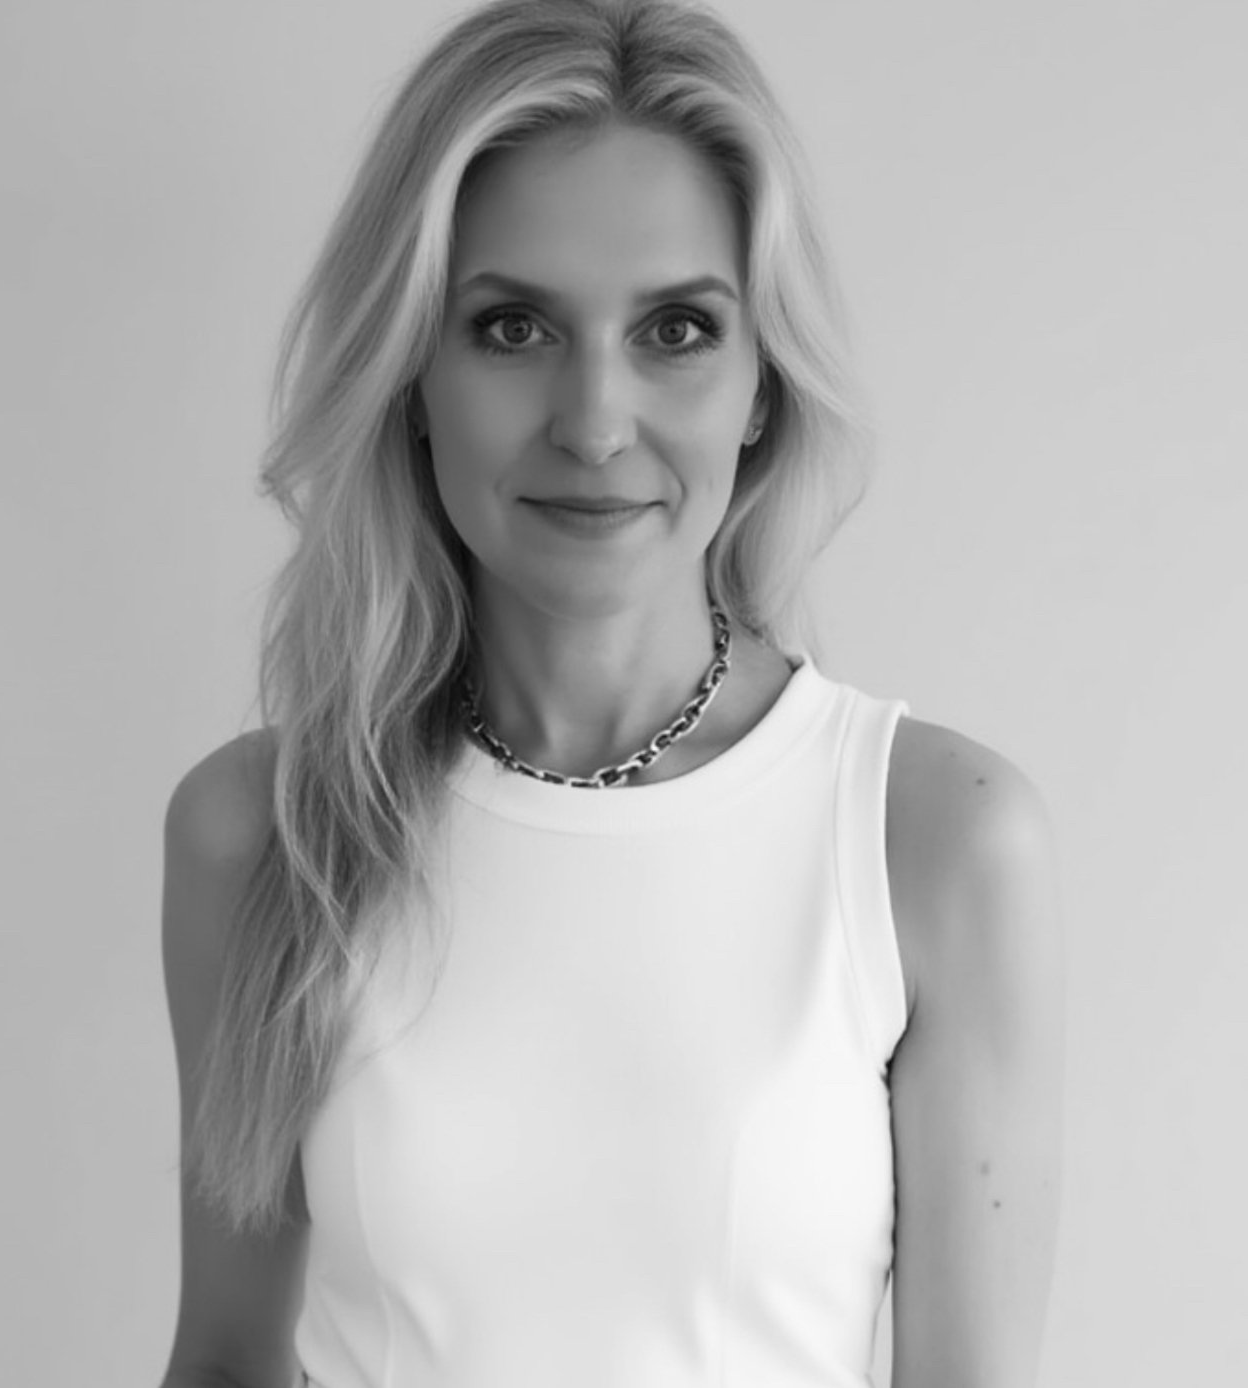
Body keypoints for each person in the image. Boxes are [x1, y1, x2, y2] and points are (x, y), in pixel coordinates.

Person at [159, 1, 1065, 1385]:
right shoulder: (262, 833)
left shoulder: (934, 838)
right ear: (411, 375)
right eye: (513, 326)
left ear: (762, 385)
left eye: (677, 329)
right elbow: (225, 1362)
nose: (593, 424)